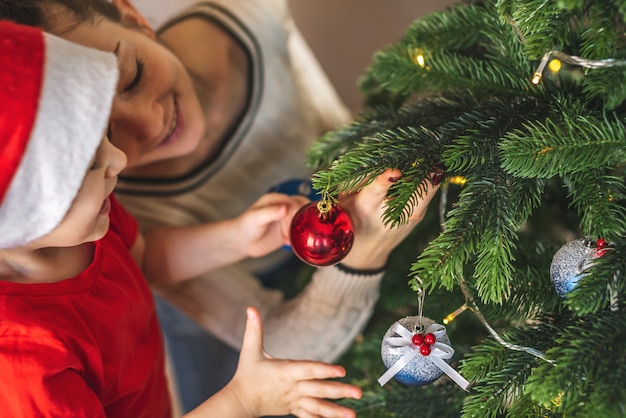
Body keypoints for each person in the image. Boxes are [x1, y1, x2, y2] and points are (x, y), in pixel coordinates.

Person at [0, 0, 443, 412]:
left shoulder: (88, 213)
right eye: (94, 157)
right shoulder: (27, 363)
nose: (116, 160)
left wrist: (234, 237)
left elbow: (145, 257)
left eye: (100, 136)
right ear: (29, 214)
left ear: (130, 13)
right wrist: (243, 401)